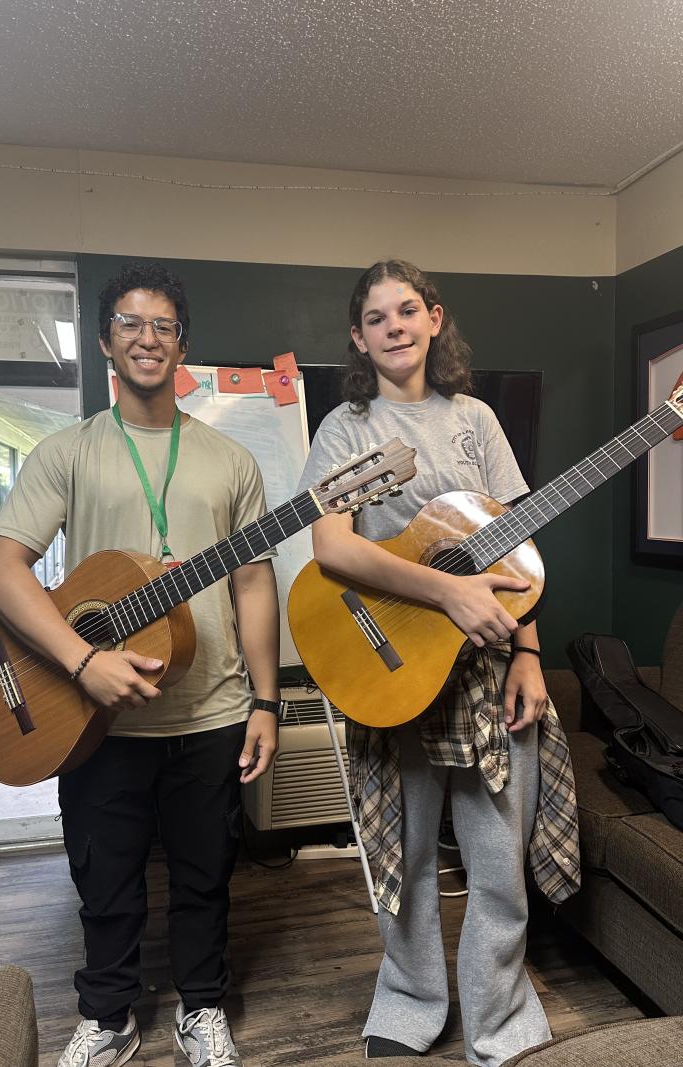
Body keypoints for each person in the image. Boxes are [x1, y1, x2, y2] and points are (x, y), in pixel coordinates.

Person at [0, 262, 281, 1067]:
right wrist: (82, 661)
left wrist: (267, 700)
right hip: (97, 718)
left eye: (164, 326)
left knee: (204, 876)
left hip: (210, 712)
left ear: (185, 344)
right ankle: (108, 1016)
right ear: (107, 339)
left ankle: (202, 1009)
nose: (148, 338)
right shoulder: (65, 452)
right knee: (103, 880)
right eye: (130, 324)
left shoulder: (230, 461)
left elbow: (254, 581)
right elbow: (0, 571)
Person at [297, 260, 579, 1067]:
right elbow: (332, 548)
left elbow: (521, 551)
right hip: (390, 665)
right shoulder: (346, 429)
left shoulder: (477, 421)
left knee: (497, 862)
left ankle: (501, 1021)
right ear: (358, 335)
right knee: (407, 852)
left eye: (407, 309)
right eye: (376, 316)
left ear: (433, 318)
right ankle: (411, 1001)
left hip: (487, 666)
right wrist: (443, 593)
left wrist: (528, 652)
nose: (394, 325)